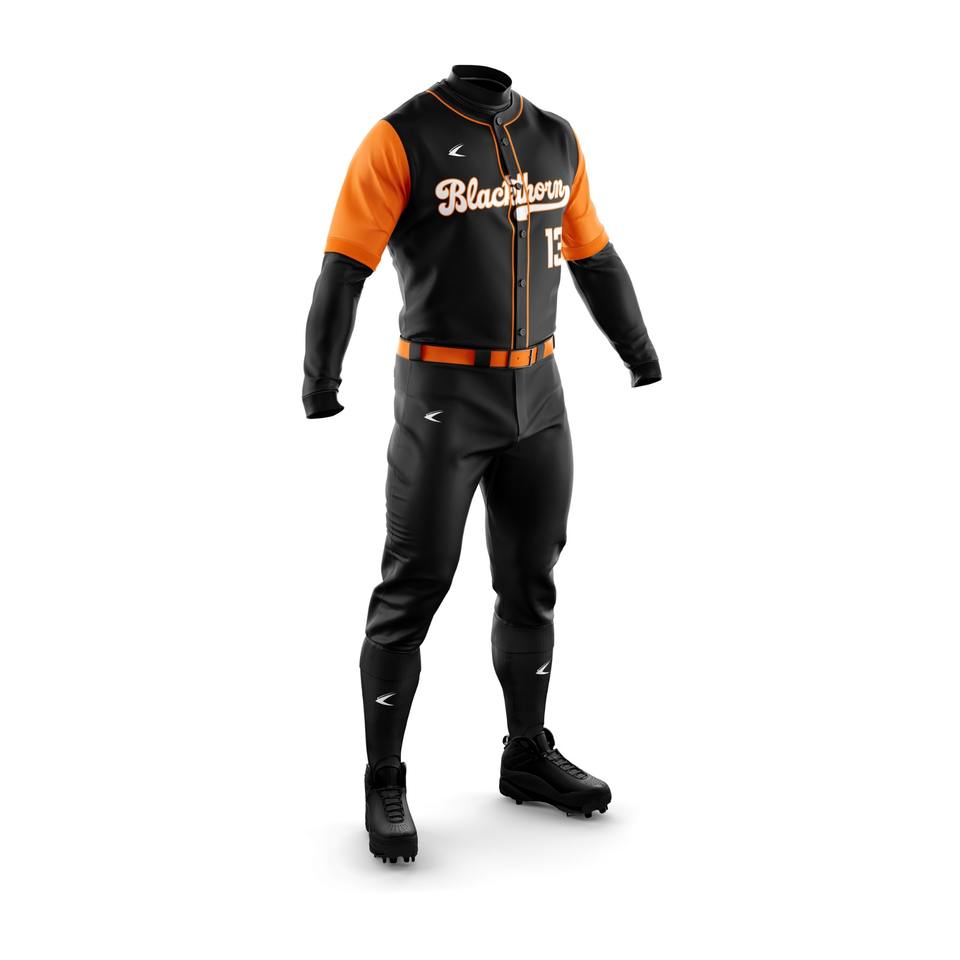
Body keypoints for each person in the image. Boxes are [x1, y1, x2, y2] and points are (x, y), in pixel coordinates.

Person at [302, 65, 661, 863]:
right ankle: (384, 778)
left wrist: (641, 354)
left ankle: (526, 753)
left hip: (540, 395)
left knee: (532, 580)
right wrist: (320, 381)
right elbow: (345, 266)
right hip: (444, 398)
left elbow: (595, 256)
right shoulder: (400, 137)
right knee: (414, 586)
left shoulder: (554, 138)